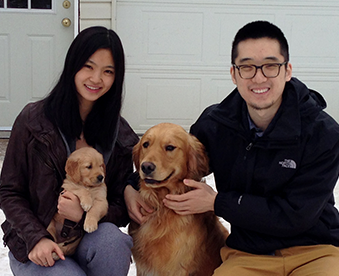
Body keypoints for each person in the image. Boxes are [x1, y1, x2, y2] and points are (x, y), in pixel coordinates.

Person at [125, 21, 339, 275]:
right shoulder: (216, 124)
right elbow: (176, 161)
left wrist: (218, 202)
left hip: (314, 251)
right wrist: (130, 185)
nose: (259, 77)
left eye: (270, 66)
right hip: (248, 253)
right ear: (234, 73)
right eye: (247, 67)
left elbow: (295, 216)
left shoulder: (323, 133)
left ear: (287, 70)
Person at [0, 26, 139, 276]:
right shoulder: (33, 121)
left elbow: (118, 203)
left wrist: (85, 212)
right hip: (38, 242)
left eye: (108, 71)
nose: (96, 79)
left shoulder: (120, 135)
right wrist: (36, 238)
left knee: (114, 243)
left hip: (87, 237)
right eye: (88, 66)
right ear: (72, 65)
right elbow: (9, 191)